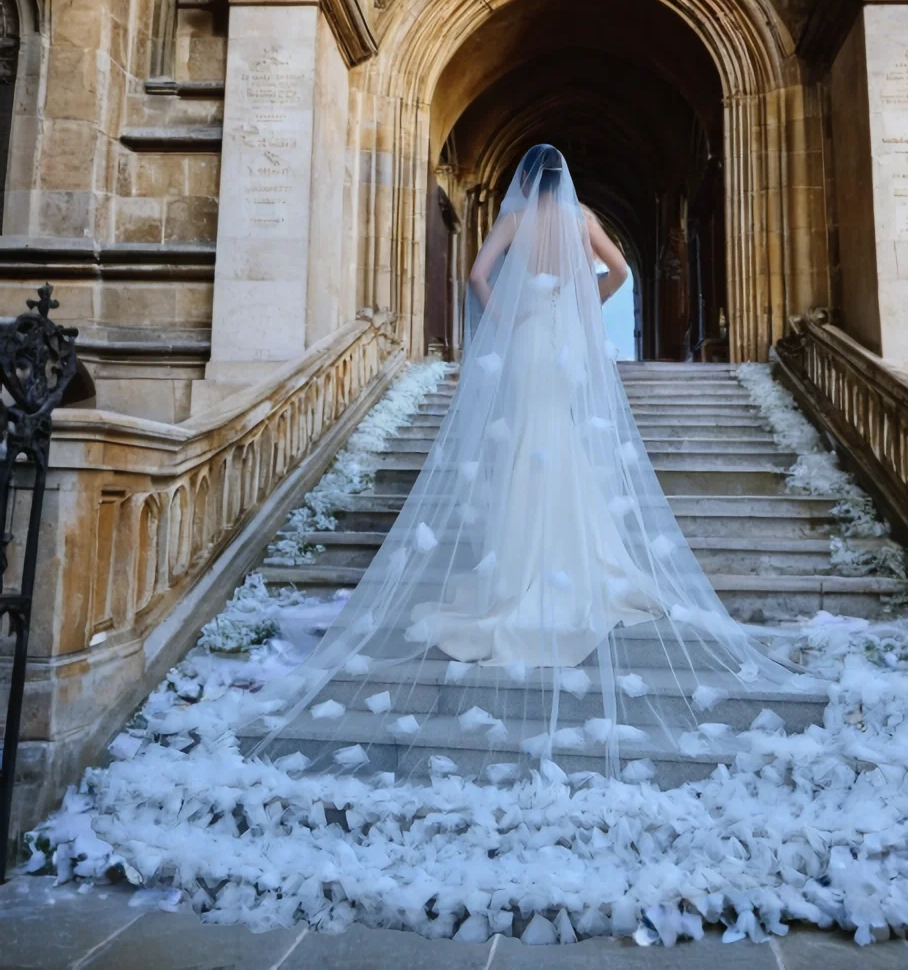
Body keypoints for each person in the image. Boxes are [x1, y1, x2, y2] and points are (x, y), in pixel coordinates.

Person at [252, 144, 792, 781]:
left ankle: (519, 563)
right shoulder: (581, 219)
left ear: (525, 183)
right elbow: (619, 272)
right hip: (566, 341)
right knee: (562, 441)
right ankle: (574, 559)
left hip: (531, 338)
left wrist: (511, 315)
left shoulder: (515, 223)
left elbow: (477, 277)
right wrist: (579, 298)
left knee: (523, 449)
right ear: (565, 182)